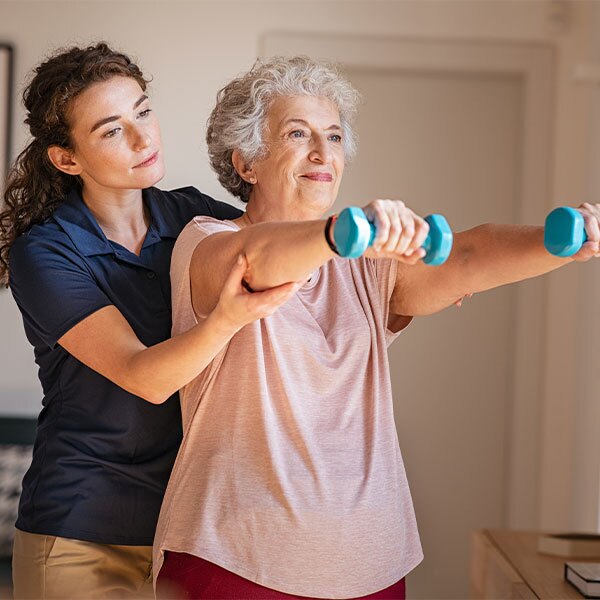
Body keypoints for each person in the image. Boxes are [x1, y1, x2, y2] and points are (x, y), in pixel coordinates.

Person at [153, 56, 600, 600]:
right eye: (298, 133)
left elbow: (467, 254)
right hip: (235, 559)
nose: (324, 153)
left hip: (370, 563)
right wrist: (345, 231)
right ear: (246, 162)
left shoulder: (365, 262)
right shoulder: (207, 240)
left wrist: (566, 241)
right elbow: (258, 261)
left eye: (334, 136)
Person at [0, 43, 296, 600]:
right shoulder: (45, 253)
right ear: (67, 159)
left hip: (186, 528)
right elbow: (146, 377)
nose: (143, 137)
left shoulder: (192, 216)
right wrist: (226, 319)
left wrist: (385, 278)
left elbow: (279, 252)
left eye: (142, 111)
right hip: (80, 532)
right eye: (112, 130)